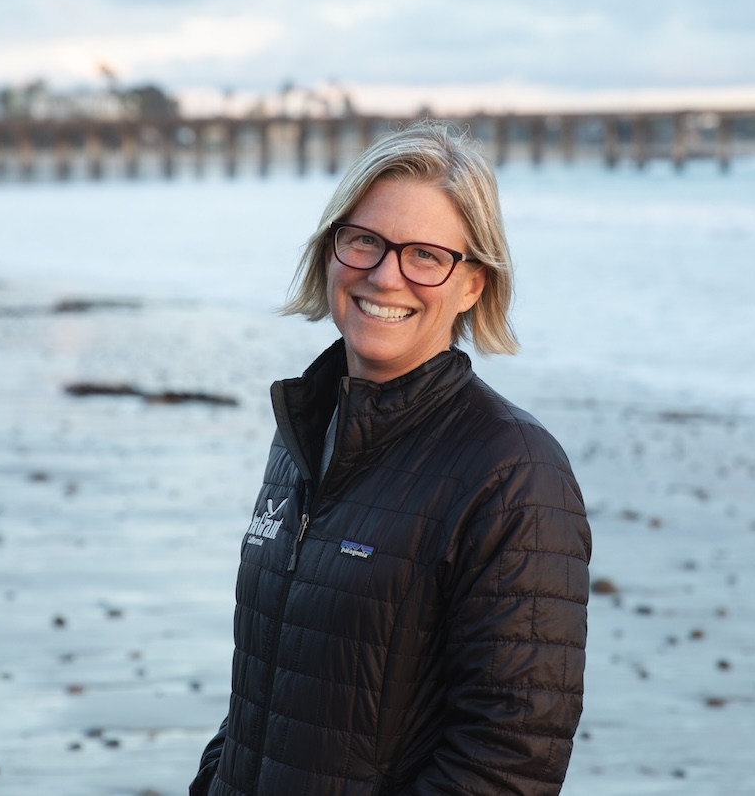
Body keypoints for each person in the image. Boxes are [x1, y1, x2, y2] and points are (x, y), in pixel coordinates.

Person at [190, 120, 590, 796]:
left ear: (473, 285)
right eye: (365, 241)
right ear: (329, 251)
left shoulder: (513, 472)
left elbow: (507, 760)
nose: (385, 274)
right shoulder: (306, 432)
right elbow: (263, 691)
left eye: (426, 255)